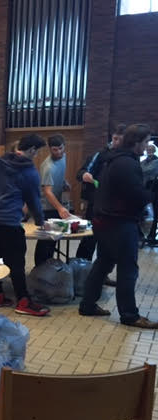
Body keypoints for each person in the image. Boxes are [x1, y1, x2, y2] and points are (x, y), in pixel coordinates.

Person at [79, 124, 158, 329]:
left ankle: (87, 305)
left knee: (103, 263)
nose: (147, 146)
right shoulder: (126, 163)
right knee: (128, 269)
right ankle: (129, 315)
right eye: (146, 141)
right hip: (119, 222)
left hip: (104, 220)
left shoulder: (113, 159)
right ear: (136, 142)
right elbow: (135, 195)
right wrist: (150, 195)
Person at [0, 134, 51, 316]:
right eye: (37, 152)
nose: (36, 155)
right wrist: (41, 222)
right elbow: (34, 200)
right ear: (32, 150)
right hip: (10, 222)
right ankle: (23, 301)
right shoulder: (28, 170)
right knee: (17, 262)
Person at [75, 124, 126, 265]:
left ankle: (101, 271)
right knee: (90, 238)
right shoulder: (100, 154)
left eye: (120, 140)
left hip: (115, 207)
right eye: (115, 139)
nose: (116, 142)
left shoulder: (127, 158)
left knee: (108, 242)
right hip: (96, 204)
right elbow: (80, 173)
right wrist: (85, 175)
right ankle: (81, 267)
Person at [34, 134, 71, 266]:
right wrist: (60, 208)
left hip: (56, 204)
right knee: (46, 241)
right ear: (49, 149)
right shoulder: (48, 167)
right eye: (55, 149)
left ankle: (48, 268)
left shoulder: (63, 157)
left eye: (60, 148)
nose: (58, 152)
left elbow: (57, 178)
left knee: (53, 241)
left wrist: (64, 183)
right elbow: (47, 191)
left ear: (64, 146)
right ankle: (40, 268)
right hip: (47, 207)